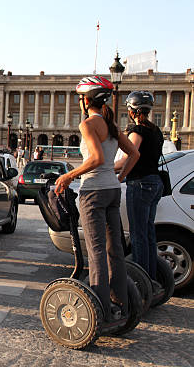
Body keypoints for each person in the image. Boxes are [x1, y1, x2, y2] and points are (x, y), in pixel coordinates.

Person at [55, 76, 140, 322]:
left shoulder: (88, 124)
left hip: (93, 192)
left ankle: (101, 311)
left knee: (96, 252)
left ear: (86, 100)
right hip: (113, 190)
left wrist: (68, 176)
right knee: (115, 251)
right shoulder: (112, 125)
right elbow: (134, 153)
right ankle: (120, 306)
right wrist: (120, 177)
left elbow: (95, 159)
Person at [114, 91, 164, 290]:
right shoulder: (156, 130)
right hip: (155, 183)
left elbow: (129, 157)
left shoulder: (137, 131)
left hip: (141, 184)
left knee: (138, 235)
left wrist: (110, 168)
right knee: (149, 233)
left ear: (132, 110)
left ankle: (142, 282)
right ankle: (151, 277)